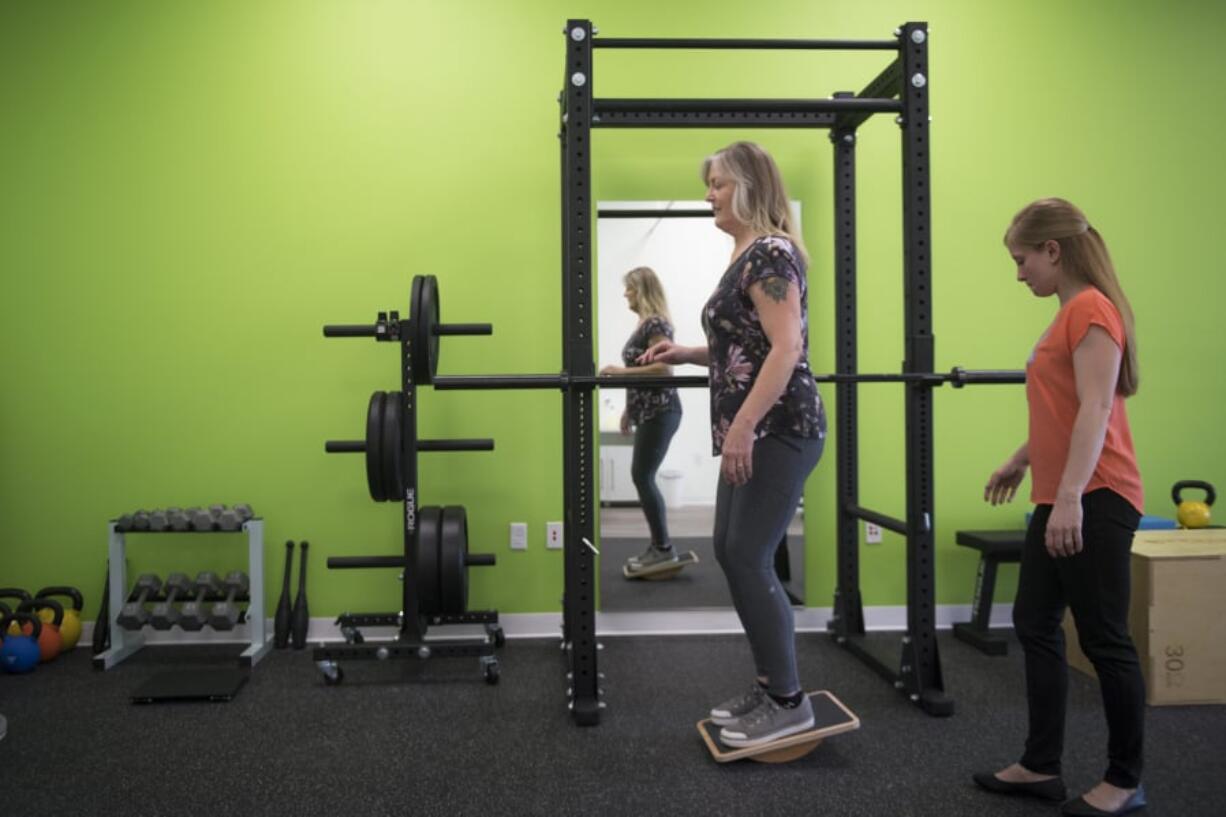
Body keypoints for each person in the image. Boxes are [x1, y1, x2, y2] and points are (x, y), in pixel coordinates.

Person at [639, 141, 825, 748]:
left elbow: (786, 347)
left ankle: (788, 701)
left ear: (747, 186)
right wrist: (687, 352)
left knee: (748, 555)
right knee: (728, 549)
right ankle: (770, 682)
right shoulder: (745, 256)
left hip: (778, 427)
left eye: (718, 184)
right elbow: (743, 339)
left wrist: (743, 424)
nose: (709, 195)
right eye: (710, 184)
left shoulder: (770, 252)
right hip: (753, 426)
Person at [974, 198, 1147, 817]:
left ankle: (1126, 781)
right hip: (1063, 494)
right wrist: (1022, 459)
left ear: (1053, 251)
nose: (1019, 273)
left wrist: (1070, 496)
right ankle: (1041, 765)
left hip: (1097, 494)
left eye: (1022, 260)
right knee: (1034, 623)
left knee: (1103, 639)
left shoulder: (1091, 310)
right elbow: (1066, 409)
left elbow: (1098, 410)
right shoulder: (1067, 314)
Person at [598, 266, 683, 572]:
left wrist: (619, 372)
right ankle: (659, 546)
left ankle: (664, 548)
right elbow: (644, 371)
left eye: (630, 289)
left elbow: (664, 369)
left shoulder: (657, 324)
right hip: (648, 411)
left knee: (642, 476)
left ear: (643, 290)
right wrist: (628, 410)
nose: (625, 294)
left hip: (661, 410)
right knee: (642, 476)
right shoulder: (644, 325)